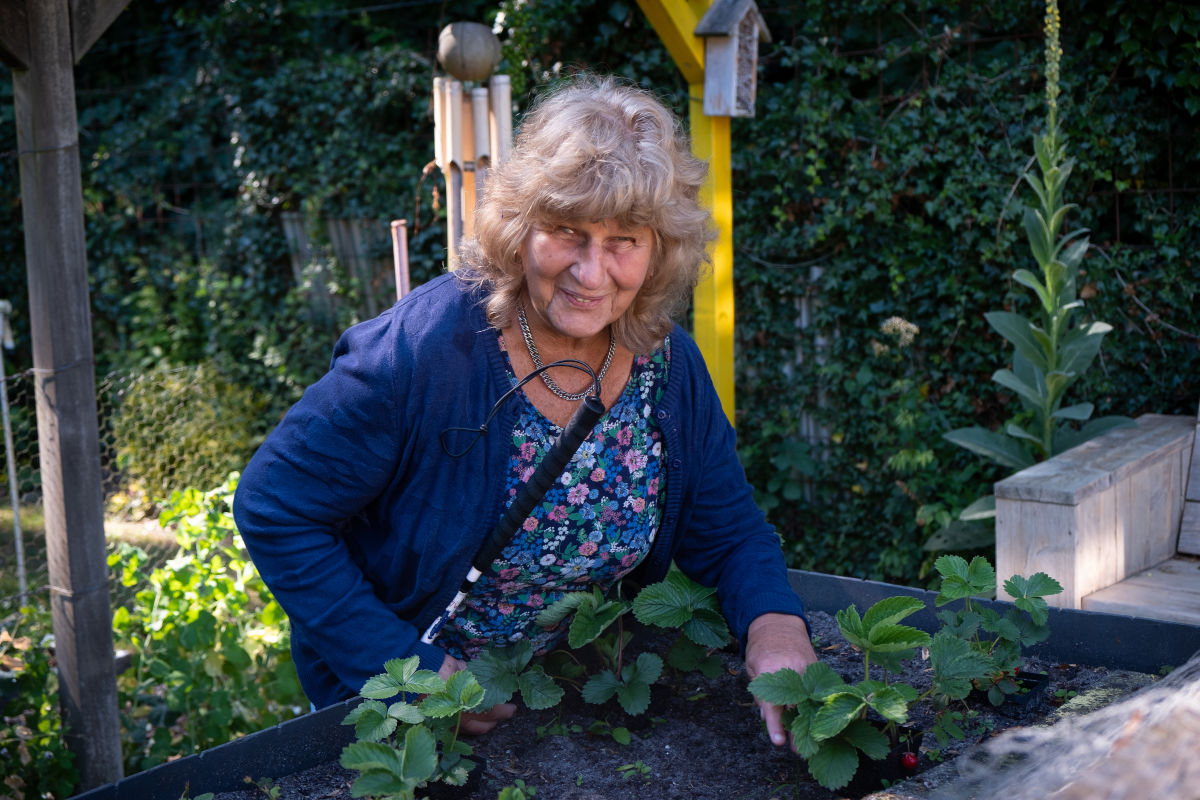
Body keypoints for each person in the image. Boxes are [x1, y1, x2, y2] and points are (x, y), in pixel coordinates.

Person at [232, 74, 817, 746]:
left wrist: (775, 624)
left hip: (573, 711)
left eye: (624, 240)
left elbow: (730, 531)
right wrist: (410, 674)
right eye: (568, 231)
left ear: (661, 252)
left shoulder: (668, 367)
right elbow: (274, 505)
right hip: (407, 724)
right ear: (521, 229)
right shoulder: (426, 350)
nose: (591, 273)